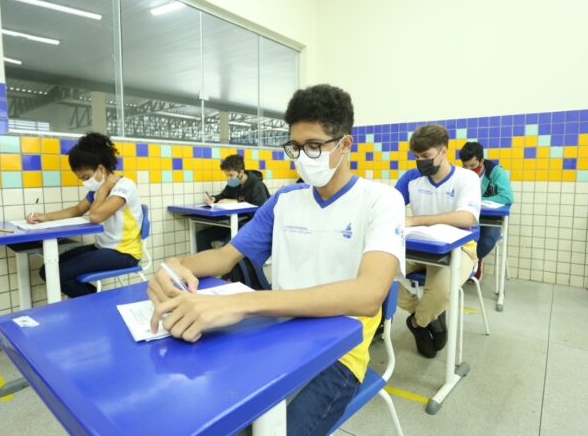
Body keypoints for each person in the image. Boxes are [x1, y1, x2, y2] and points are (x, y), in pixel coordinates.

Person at [147, 84, 405, 436]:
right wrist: (176, 265)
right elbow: (225, 257)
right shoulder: (286, 200)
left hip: (339, 354)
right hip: (277, 336)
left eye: (314, 146)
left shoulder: (381, 200)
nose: (302, 156)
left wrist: (243, 304)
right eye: (295, 147)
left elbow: (369, 294)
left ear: (346, 145)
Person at [395, 124, 481, 358]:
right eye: (416, 157)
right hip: (417, 248)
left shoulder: (467, 178)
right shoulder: (412, 178)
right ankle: (427, 316)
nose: (420, 161)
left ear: (444, 151)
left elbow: (467, 217)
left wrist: (416, 220)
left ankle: (417, 323)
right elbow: (390, 208)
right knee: (377, 273)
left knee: (442, 291)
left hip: (459, 251)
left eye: (426, 156)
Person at [26, 133, 143, 298]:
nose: (84, 182)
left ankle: (96, 306)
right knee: (48, 270)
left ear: (101, 169)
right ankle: (96, 301)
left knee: (59, 273)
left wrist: (104, 188)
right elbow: (77, 209)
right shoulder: (97, 190)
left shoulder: (124, 186)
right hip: (103, 248)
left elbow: (95, 217)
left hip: (124, 253)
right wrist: (44, 216)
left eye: (86, 177)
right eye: (81, 179)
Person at [459, 141, 514, 281]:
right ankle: (461, 267)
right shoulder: (461, 174)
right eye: (465, 166)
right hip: (470, 216)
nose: (469, 169)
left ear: (481, 161)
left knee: (487, 239)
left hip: (491, 219)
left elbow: (507, 197)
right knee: (457, 236)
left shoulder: (496, 172)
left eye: (473, 166)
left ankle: (472, 263)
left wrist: (478, 200)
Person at [195, 154, 270, 251]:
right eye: (226, 175)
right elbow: (222, 196)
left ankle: (226, 265)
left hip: (252, 224)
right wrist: (214, 198)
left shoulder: (257, 185)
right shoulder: (233, 184)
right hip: (234, 222)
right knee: (202, 236)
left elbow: (260, 212)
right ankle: (205, 265)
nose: (228, 178)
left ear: (241, 172)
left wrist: (236, 202)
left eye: (231, 175)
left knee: (229, 243)